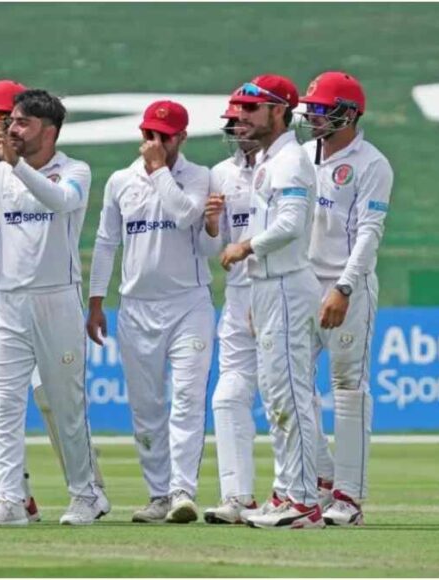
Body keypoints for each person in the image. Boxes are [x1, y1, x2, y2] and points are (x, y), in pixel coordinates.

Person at [0, 89, 109, 526]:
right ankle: (9, 499)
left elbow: (61, 201)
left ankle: (87, 495)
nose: (11, 129)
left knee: (66, 404)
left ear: (48, 131)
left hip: (57, 300)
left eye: (22, 122)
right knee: (6, 402)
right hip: (8, 304)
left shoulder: (75, 170)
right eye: (11, 121)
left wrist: (17, 166)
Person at [88, 100, 222, 524]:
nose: (155, 143)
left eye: (164, 136)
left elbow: (185, 216)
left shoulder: (199, 177)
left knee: (186, 400)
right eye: (149, 135)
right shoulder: (120, 181)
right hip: (136, 306)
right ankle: (159, 494)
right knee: (146, 406)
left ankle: (183, 490)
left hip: (189, 304)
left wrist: (160, 171)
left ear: (181, 137)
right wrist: (95, 302)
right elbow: (108, 242)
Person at [222, 75, 323, 529]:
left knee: (290, 395)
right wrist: (255, 286)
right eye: (240, 108)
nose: (240, 116)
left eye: (251, 108)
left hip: (285, 283)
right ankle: (286, 492)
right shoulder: (269, 160)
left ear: (279, 111)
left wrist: (245, 248)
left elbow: (290, 224)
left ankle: (302, 501)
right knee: (276, 395)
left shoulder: (290, 160)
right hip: (267, 287)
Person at [300, 71, 393, 526]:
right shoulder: (299, 157)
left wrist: (344, 286)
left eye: (321, 108)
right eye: (312, 107)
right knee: (288, 384)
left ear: (348, 114)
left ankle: (349, 499)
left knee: (348, 390)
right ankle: (322, 479)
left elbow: (368, 235)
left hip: (345, 287)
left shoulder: (372, 164)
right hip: (298, 285)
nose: (313, 115)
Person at [203, 95, 262, 524]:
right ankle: (237, 498)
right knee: (226, 397)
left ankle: (325, 483)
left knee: (290, 398)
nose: (237, 128)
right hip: (238, 297)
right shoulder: (221, 174)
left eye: (244, 120)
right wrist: (210, 226)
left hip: (282, 293)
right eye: (232, 122)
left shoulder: (290, 164)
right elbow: (214, 246)